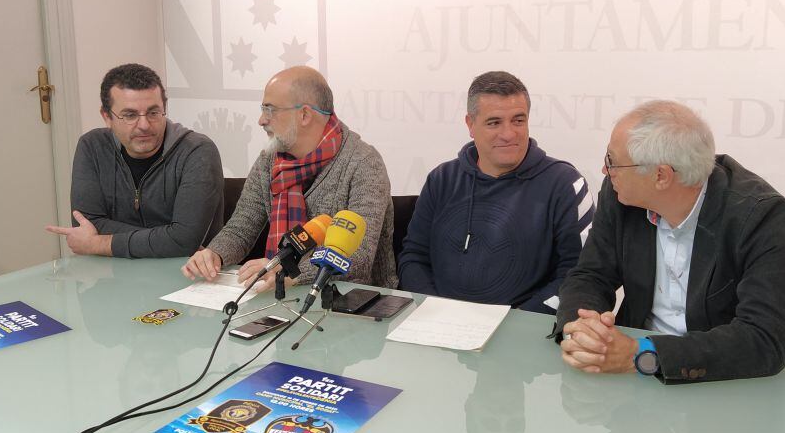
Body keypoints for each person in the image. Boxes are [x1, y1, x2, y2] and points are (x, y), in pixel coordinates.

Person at [553, 100, 785, 433]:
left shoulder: (762, 216)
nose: (604, 171)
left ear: (660, 175)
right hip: (639, 394)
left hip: (734, 386)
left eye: (612, 162)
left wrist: (640, 355)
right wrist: (583, 328)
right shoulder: (621, 196)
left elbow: (764, 339)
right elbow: (591, 275)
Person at [182, 66, 396, 291]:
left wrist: (289, 273)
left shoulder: (364, 162)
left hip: (354, 302)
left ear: (304, 115)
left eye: (270, 110)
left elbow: (358, 258)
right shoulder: (269, 160)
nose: (261, 120)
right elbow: (240, 229)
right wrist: (214, 254)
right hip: (284, 295)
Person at [398, 71, 594, 314]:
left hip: (521, 334)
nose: (509, 134)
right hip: (440, 329)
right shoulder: (441, 179)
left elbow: (577, 275)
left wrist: (513, 324)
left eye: (518, 121)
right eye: (494, 122)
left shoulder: (565, 184)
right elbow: (414, 258)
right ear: (470, 125)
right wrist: (436, 312)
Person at [46, 63, 224, 258]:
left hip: (187, 276)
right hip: (115, 275)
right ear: (106, 117)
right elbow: (88, 223)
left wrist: (98, 244)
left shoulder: (197, 151)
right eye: (130, 115)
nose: (144, 125)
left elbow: (183, 242)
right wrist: (167, 238)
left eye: (153, 113)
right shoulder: (92, 146)